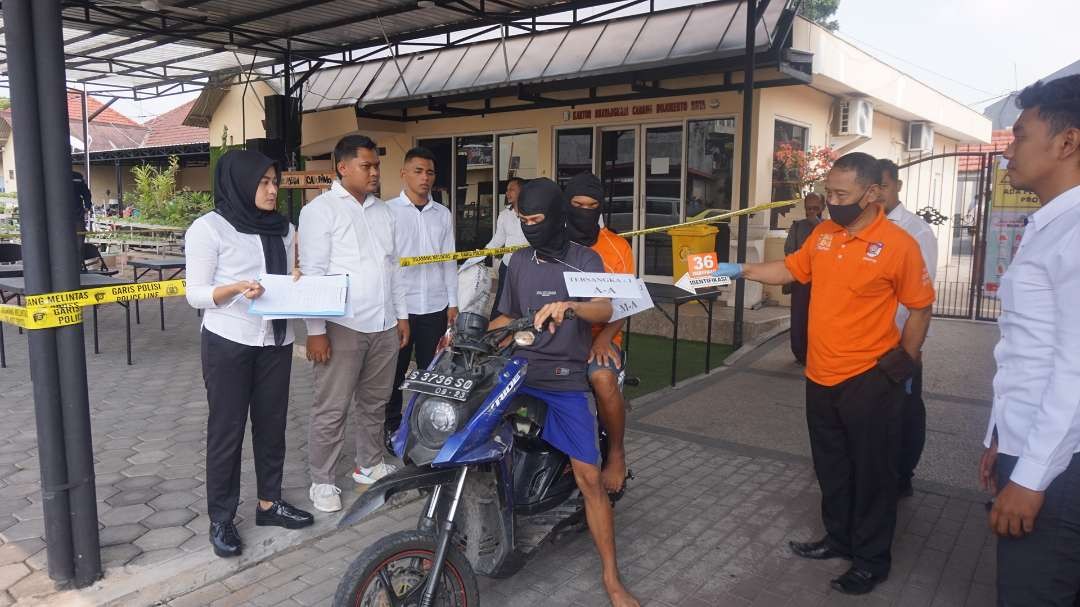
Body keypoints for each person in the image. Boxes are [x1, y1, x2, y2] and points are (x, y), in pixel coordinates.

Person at [712, 152, 934, 595]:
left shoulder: (899, 244)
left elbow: (920, 307)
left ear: (872, 194)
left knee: (873, 472)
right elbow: (791, 269)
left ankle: (870, 560)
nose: (830, 201)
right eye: (828, 192)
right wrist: (741, 269)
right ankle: (838, 537)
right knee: (831, 465)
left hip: (870, 378)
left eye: (840, 194)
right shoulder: (823, 235)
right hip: (821, 375)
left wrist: (904, 362)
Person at [489, 178, 638, 607]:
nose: (529, 228)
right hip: (518, 372)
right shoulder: (516, 262)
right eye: (522, 221)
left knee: (589, 479)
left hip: (563, 378)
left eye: (535, 220)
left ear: (554, 217)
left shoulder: (584, 259)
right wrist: (472, 333)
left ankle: (612, 579)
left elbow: (605, 307)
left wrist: (570, 306)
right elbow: (504, 315)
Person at [977, 75, 1080, 606]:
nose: (1008, 150)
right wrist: (1002, 437)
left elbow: (1075, 369)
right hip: (1032, 446)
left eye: (1019, 135)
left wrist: (1032, 477)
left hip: (1057, 469)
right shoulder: (1051, 225)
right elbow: (1029, 352)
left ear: (1067, 143)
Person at [184, 149, 314, 558]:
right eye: (264, 183)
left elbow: (288, 278)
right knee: (227, 432)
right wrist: (236, 287)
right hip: (229, 339)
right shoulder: (209, 229)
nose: (273, 190)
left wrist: (298, 279)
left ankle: (269, 503)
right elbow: (195, 294)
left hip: (276, 341)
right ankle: (221, 518)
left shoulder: (284, 229)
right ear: (240, 183)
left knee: (272, 426)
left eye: (276, 182)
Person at [299, 135, 409, 513]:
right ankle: (323, 481)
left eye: (377, 165)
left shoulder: (384, 212)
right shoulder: (321, 211)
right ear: (342, 168)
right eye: (367, 165)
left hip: (383, 322)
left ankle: (369, 464)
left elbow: (392, 268)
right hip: (340, 325)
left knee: (374, 402)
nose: (375, 172)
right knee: (331, 407)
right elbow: (312, 274)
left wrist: (401, 314)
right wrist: (315, 332)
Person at [563, 172, 633, 494]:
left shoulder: (618, 248)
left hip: (602, 337)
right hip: (559, 336)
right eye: (577, 205)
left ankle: (616, 454)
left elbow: (626, 302)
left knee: (602, 379)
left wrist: (605, 337)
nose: (584, 211)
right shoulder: (554, 242)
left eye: (592, 206)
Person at [386, 147, 458, 450]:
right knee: (394, 373)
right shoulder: (387, 212)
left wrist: (453, 303)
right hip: (400, 308)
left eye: (429, 172)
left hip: (435, 306)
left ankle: (426, 429)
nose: (424, 178)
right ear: (403, 173)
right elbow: (386, 263)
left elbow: (449, 261)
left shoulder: (442, 214)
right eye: (418, 171)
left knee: (433, 372)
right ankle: (391, 429)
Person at [878, 159, 939, 498]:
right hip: (869, 345)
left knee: (906, 410)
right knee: (879, 413)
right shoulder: (858, 227)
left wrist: (908, 350)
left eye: (884, 187)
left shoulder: (915, 231)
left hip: (902, 344)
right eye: (873, 188)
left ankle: (903, 474)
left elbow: (920, 300)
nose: (878, 195)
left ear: (897, 187)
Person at [783, 193, 824, 364]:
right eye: (809, 209)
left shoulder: (830, 228)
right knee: (799, 318)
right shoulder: (797, 227)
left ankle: (816, 353)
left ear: (823, 208)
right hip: (801, 281)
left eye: (816, 208)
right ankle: (800, 353)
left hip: (822, 283)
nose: (812, 212)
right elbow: (789, 251)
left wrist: (819, 226)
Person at [485, 176, 528, 318]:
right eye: (507, 190)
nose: (508, 193)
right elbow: (499, 238)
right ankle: (494, 332)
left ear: (522, 191)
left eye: (512, 190)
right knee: (501, 302)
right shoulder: (504, 215)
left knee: (525, 299)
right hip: (507, 265)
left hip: (528, 266)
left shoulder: (532, 214)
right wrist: (485, 251)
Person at [73, 170, 92, 251]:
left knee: (79, 241)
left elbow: (86, 193)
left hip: (77, 214)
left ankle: (79, 260)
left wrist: (87, 207)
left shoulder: (77, 177)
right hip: (74, 215)